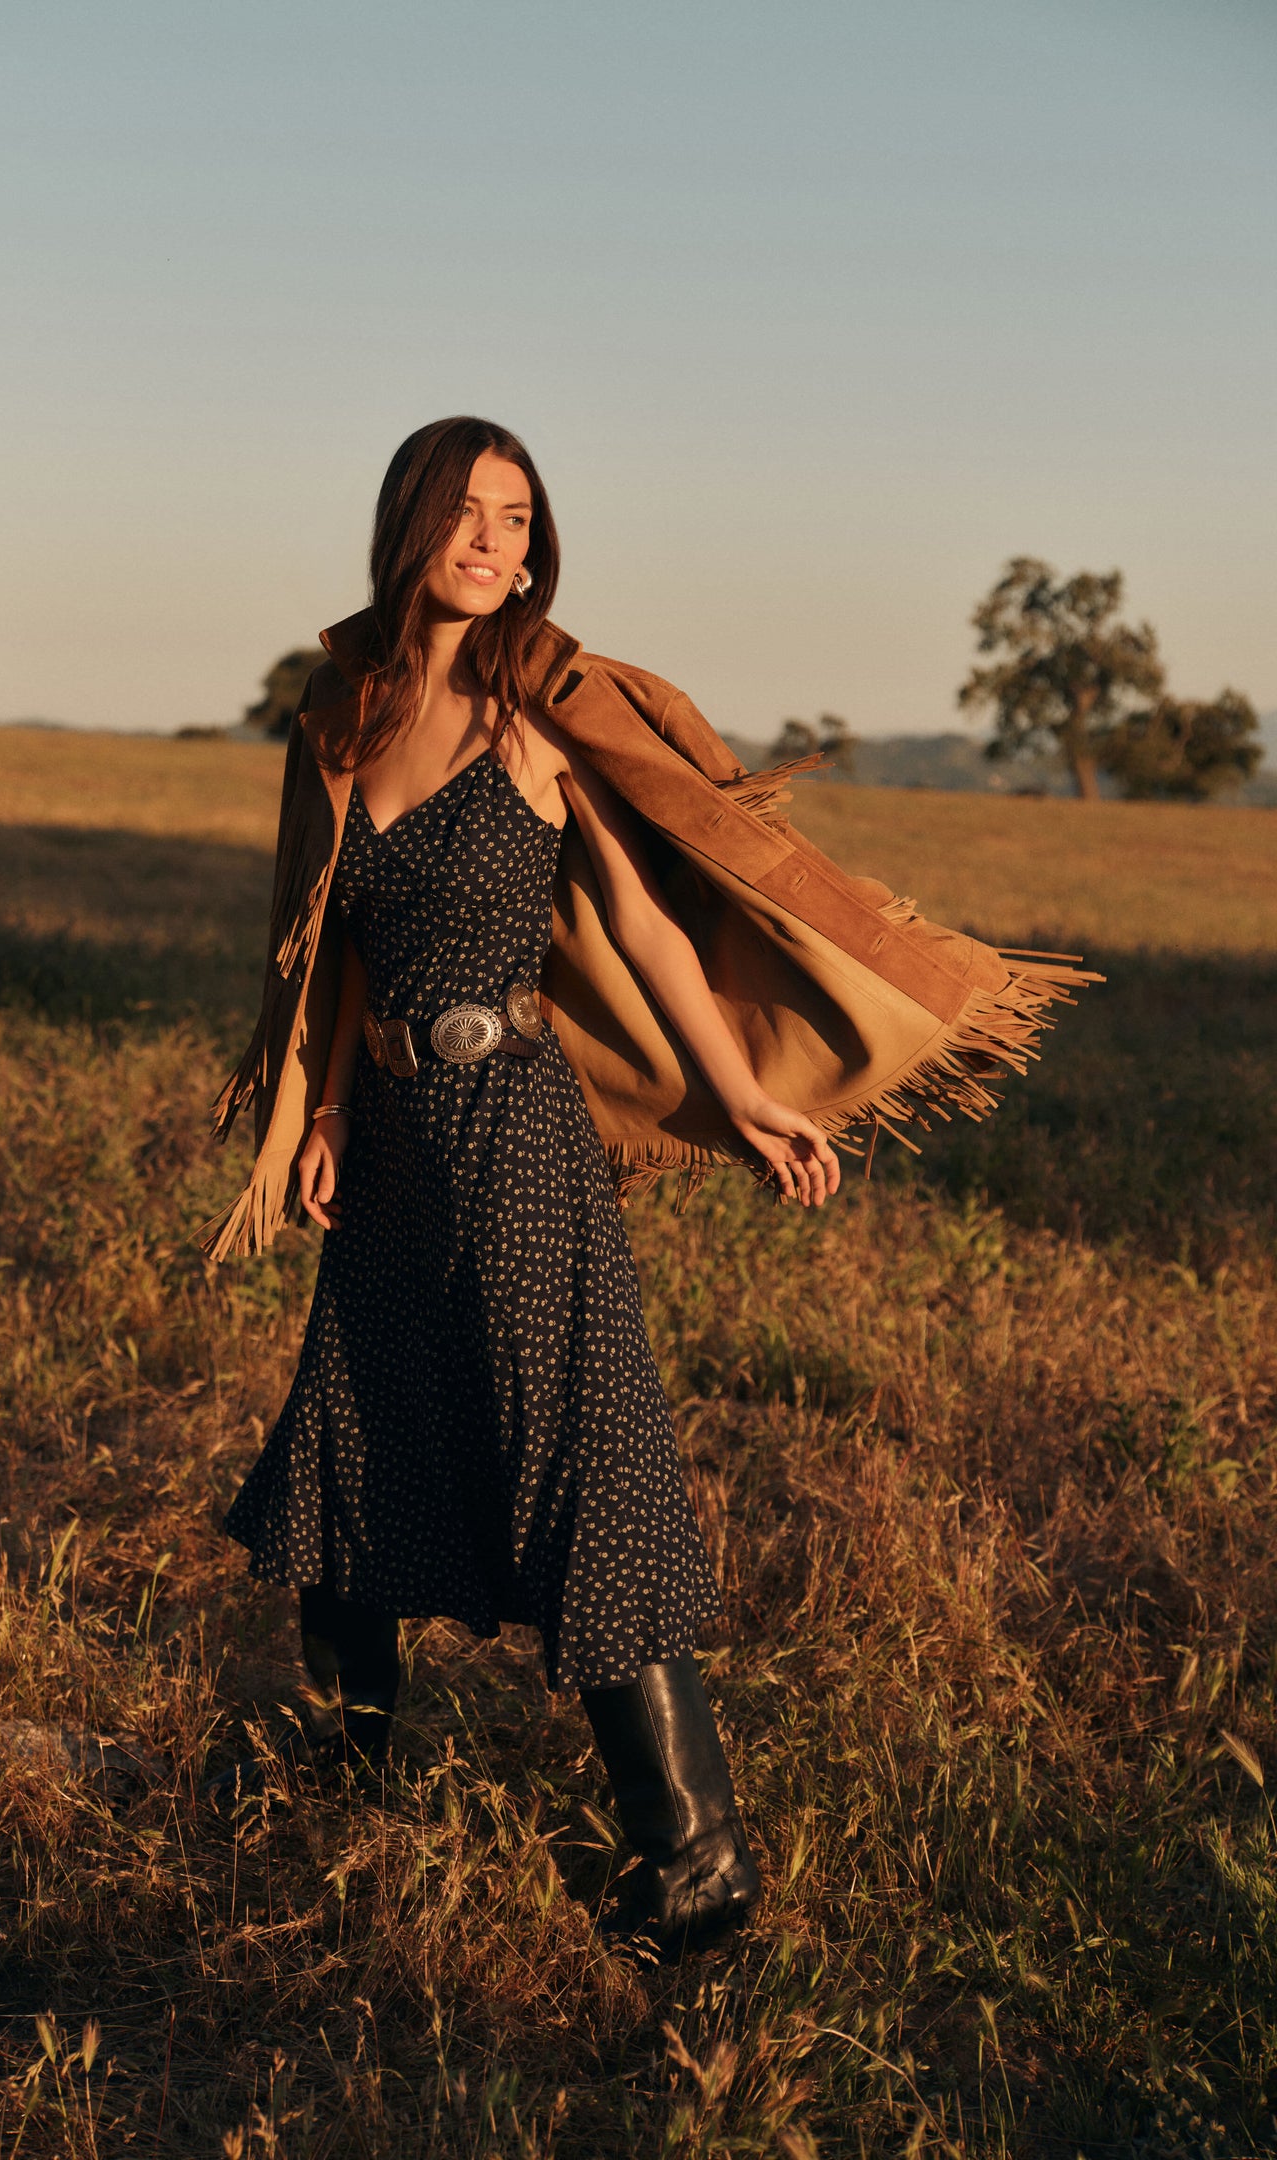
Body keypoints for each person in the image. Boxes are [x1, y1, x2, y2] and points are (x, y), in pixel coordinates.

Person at [204, 416, 1092, 1959]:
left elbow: (645, 925)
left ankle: (696, 1856)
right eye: (467, 511)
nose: (493, 539)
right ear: (410, 526)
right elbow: (334, 937)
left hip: (517, 1132)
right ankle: (348, 1766)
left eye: (517, 516)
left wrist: (741, 1097)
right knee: (357, 1420)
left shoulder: (539, 718)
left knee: (574, 1454)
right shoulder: (339, 717)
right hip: (396, 1138)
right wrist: (334, 1104)